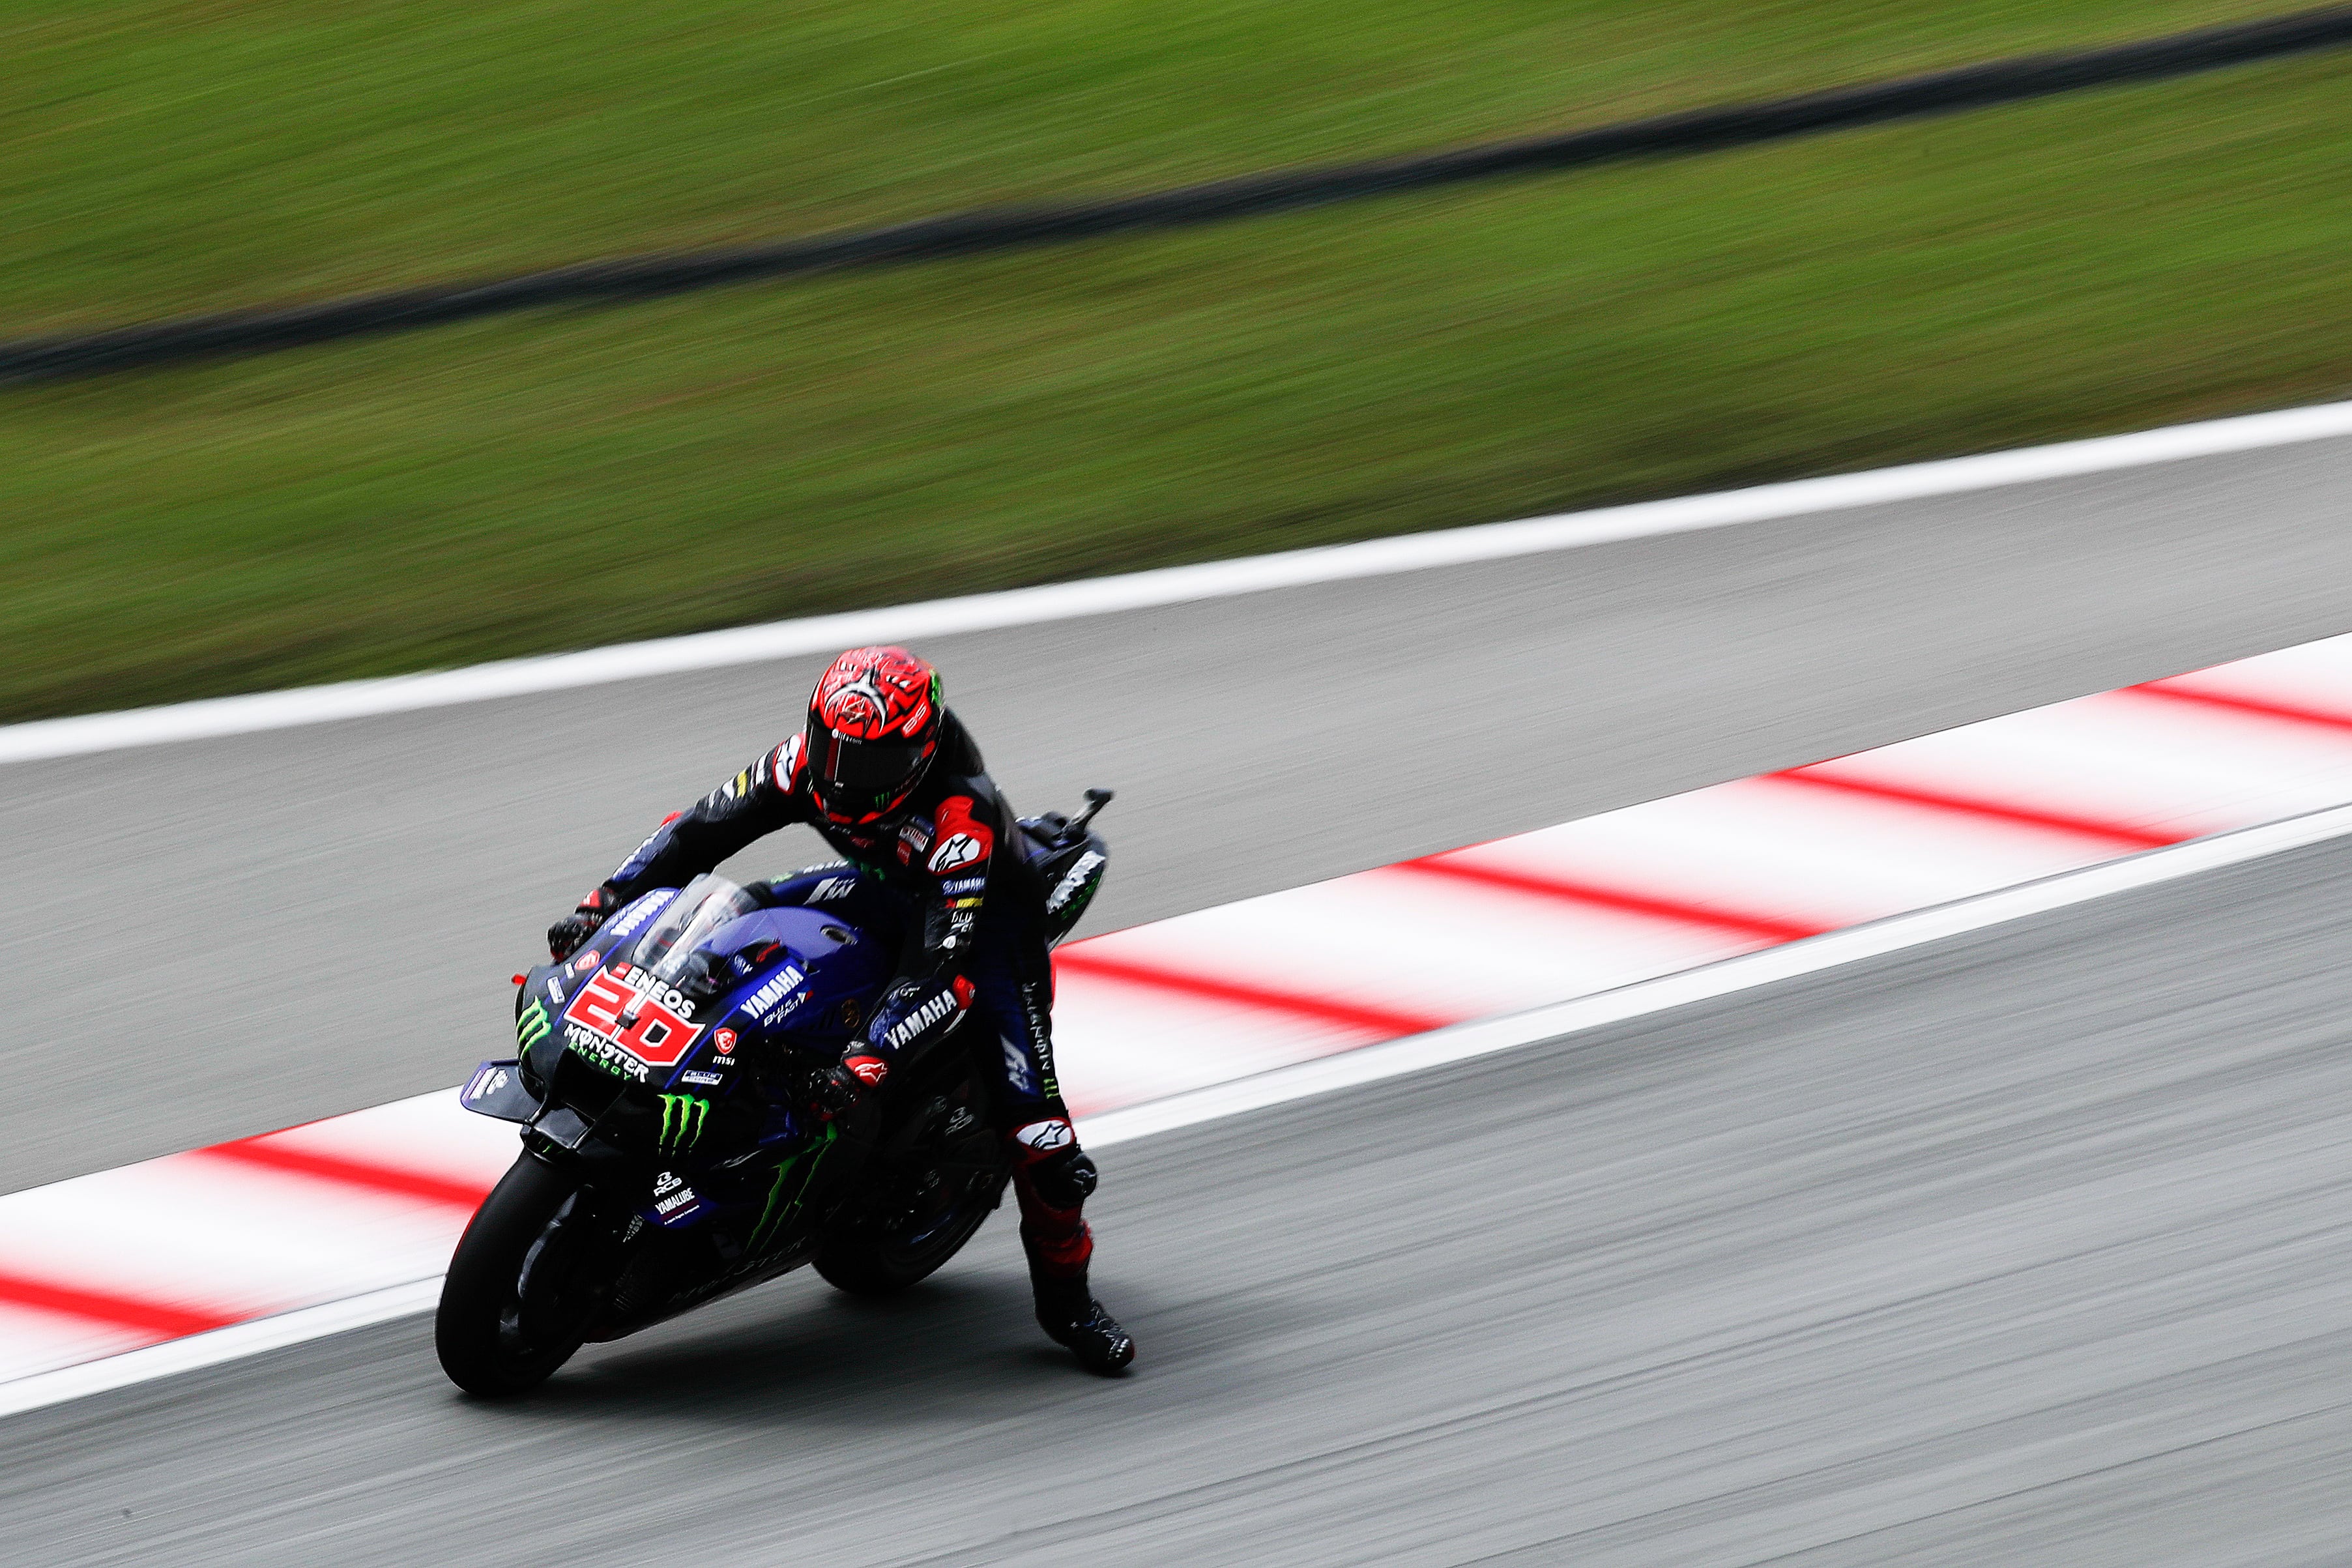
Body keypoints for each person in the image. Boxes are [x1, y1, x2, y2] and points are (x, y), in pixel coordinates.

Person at [545, 645, 1135, 1374]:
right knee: (740, 913)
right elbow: (698, 831)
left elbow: (939, 967)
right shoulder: (804, 762)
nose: (844, 778)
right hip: (885, 885)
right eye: (833, 752)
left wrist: (867, 1062)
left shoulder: (961, 816)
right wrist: (603, 903)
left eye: (871, 766)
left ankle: (1070, 1305)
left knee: (1044, 1142)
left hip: (982, 935)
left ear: (918, 755)